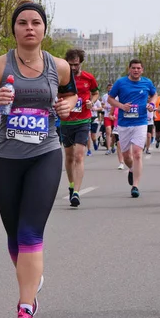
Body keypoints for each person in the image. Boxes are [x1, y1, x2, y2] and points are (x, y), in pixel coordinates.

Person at [0, 0, 77, 318]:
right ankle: (32, 277)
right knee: (14, 236)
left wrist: (69, 105)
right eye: (23, 22)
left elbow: (72, 98)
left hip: (45, 154)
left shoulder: (59, 66)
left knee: (30, 233)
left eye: (36, 22)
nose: (29, 27)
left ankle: (25, 309)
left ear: (44, 29)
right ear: (14, 29)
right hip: (7, 159)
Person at [108, 59, 157, 197]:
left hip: (140, 122)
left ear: (142, 70)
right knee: (126, 155)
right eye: (133, 68)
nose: (136, 70)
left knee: (137, 153)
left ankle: (135, 186)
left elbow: (154, 95)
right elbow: (110, 99)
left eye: (138, 68)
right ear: (129, 69)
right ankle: (131, 169)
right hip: (124, 124)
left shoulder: (147, 82)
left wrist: (152, 104)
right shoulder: (120, 82)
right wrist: (121, 106)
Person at [61, 49, 99, 207]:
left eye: (76, 65)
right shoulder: (62, 78)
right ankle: (71, 185)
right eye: (70, 65)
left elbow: (95, 92)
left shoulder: (88, 78)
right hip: (66, 121)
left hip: (83, 121)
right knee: (69, 157)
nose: (73, 68)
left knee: (79, 156)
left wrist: (91, 101)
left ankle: (76, 192)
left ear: (80, 63)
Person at [101, 83, 115, 154]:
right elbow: (102, 104)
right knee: (108, 131)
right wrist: (104, 106)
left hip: (115, 116)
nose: (110, 89)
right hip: (107, 116)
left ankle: (112, 145)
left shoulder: (117, 96)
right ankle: (108, 148)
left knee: (114, 133)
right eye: (109, 88)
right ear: (107, 89)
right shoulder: (104, 96)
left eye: (111, 88)